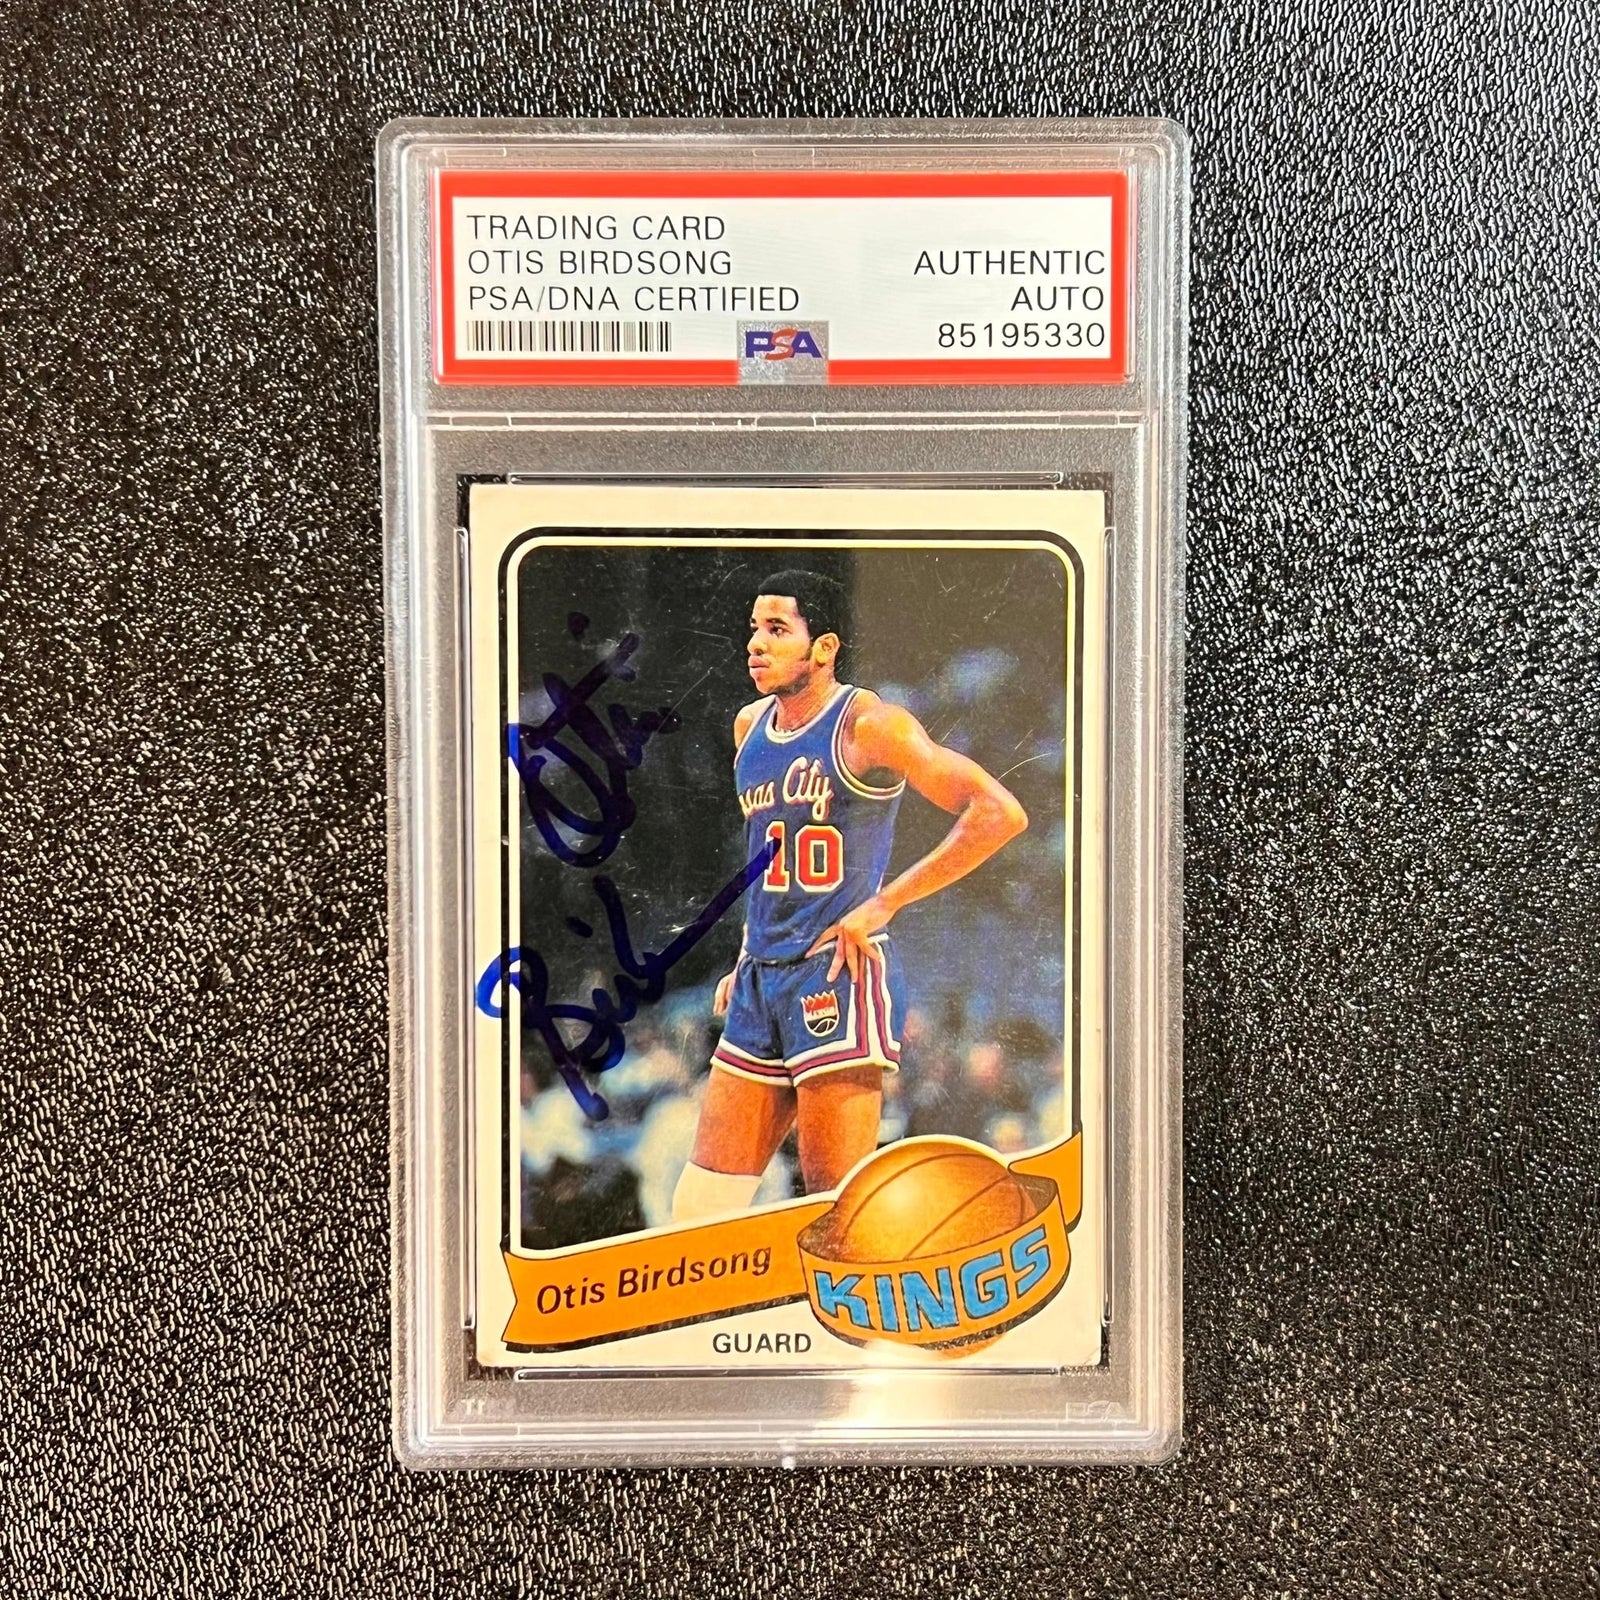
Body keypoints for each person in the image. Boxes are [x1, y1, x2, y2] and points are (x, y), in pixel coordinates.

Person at [671, 569, 1029, 1222]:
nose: (756, 643)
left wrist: (886, 902)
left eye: (777, 629)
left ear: (825, 647)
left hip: (834, 973)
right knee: (698, 1210)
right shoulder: (749, 727)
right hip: (760, 978)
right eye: (754, 628)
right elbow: (766, 860)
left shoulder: (869, 725)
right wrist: (747, 951)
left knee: (833, 1214)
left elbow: (998, 812)